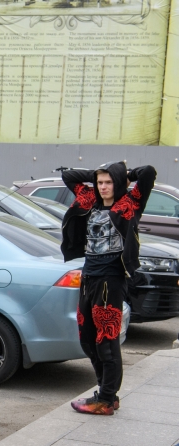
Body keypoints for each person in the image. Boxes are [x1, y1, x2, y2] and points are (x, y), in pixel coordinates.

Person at [61, 162, 156, 415]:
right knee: (87, 338)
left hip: (110, 280)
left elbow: (147, 172)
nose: (103, 187)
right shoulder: (90, 199)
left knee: (107, 338)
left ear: (118, 182)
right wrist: (99, 172)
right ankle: (106, 392)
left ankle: (106, 398)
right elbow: (69, 175)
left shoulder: (129, 202)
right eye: (100, 182)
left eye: (108, 182)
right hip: (88, 276)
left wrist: (124, 174)